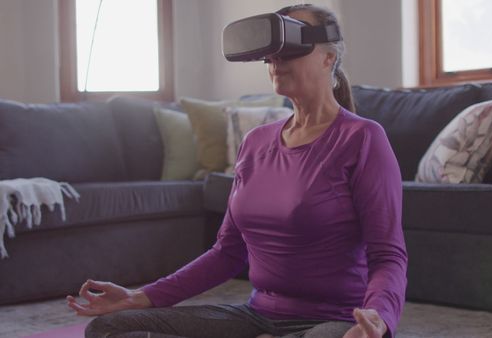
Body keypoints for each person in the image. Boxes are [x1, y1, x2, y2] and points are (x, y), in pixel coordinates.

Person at [67, 4, 407, 338]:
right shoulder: (257, 142)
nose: (275, 62)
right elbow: (227, 252)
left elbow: (388, 255)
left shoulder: (362, 138)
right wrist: (139, 297)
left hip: (333, 321)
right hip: (256, 317)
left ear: (328, 57)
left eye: (288, 49)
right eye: (271, 54)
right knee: (109, 327)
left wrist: (379, 318)